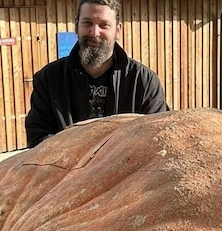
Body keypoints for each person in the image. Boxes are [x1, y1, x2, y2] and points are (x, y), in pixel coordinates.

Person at [24, 0, 169, 148]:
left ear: (118, 30)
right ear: (77, 26)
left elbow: (158, 137)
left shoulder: (144, 81)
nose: (94, 32)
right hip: (67, 170)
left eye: (104, 25)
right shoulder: (49, 79)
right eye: (87, 23)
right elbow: (38, 138)